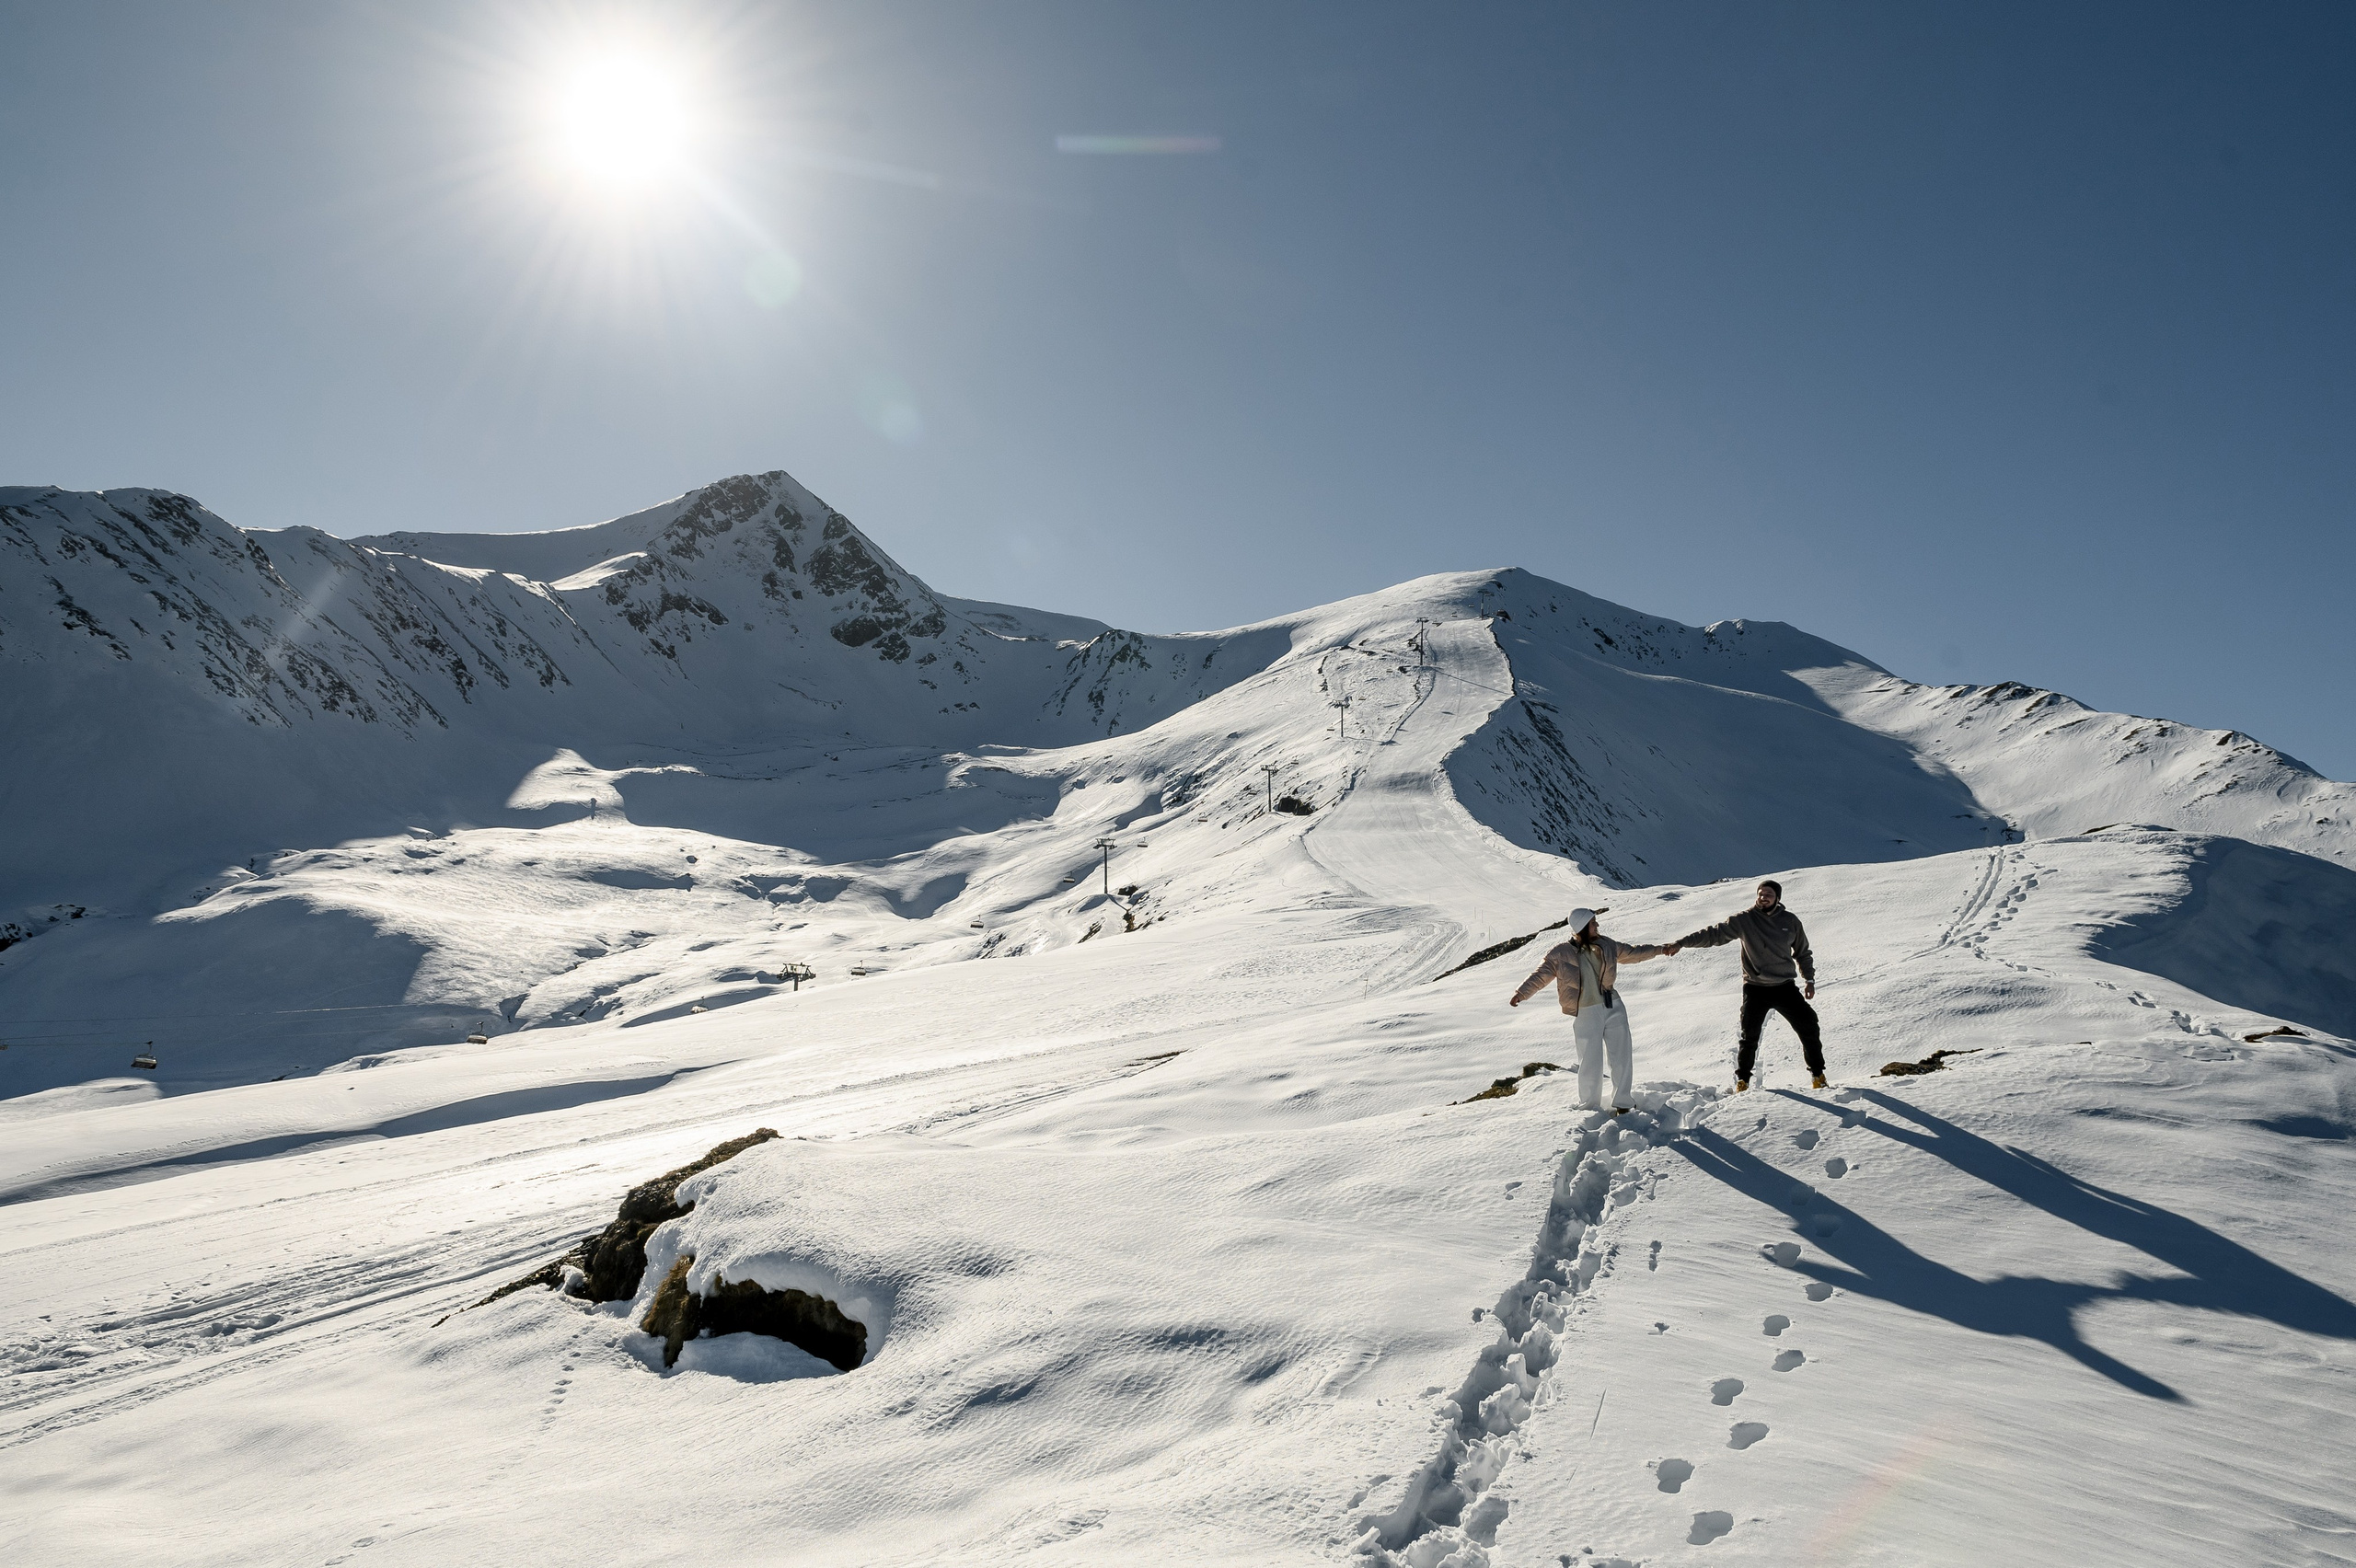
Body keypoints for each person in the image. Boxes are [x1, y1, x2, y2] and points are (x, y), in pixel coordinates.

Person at [1507, 907, 1671, 1114]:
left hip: (1614, 1006)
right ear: (1583, 927)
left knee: (1621, 1055)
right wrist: (1521, 993)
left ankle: (1623, 1103)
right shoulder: (1561, 953)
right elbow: (1540, 975)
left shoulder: (1607, 945)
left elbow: (1634, 953)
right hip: (1586, 1011)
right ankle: (1589, 1106)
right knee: (1589, 1060)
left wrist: (1661, 949)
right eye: (1593, 923)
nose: (1597, 926)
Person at [1669, 879, 1826, 1090]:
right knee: (1749, 1037)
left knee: (1809, 1026)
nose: (1763, 897)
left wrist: (1809, 980)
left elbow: (1802, 953)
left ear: (1777, 898)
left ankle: (1818, 1075)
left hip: (1784, 987)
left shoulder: (1791, 921)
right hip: (1755, 988)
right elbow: (1714, 933)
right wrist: (1682, 942)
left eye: (1768, 894)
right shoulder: (1745, 920)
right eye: (1761, 893)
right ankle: (1743, 1081)